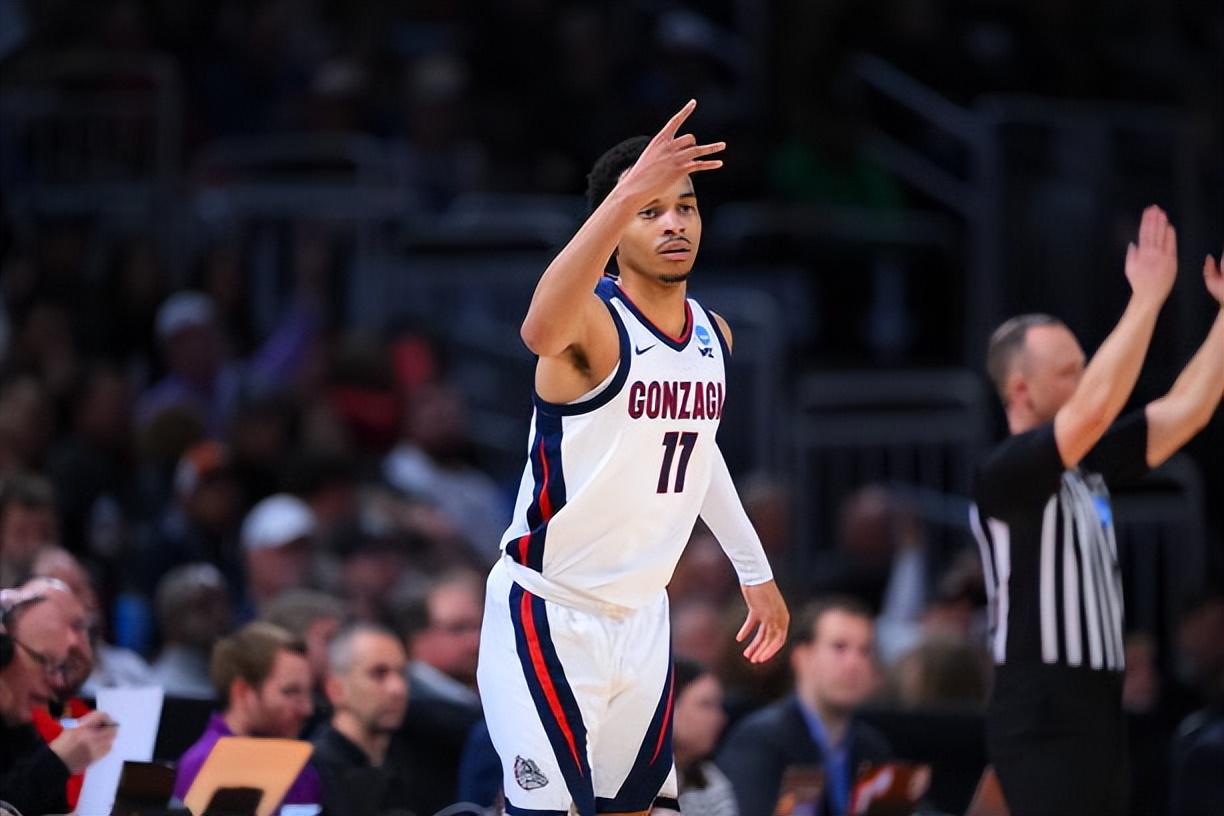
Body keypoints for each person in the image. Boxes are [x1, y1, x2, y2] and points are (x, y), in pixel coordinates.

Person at [478, 99, 788, 816]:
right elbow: (537, 329)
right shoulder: (592, 325)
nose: (674, 223)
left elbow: (698, 455)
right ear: (614, 227)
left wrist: (755, 571)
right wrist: (622, 195)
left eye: (685, 207)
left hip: (644, 615)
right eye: (651, 211)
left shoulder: (713, 335)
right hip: (550, 610)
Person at [969, 207, 1224, 816]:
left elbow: (1188, 409)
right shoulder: (1006, 472)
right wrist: (1147, 299)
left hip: (1099, 703)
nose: (1089, 380)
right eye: (1071, 372)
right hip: (1041, 706)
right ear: (1021, 391)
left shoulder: (1090, 463)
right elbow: (1093, 409)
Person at [716, 597, 891, 816]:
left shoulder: (872, 747)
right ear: (802, 657)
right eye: (839, 647)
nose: (854, 663)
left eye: (865, 651)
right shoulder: (760, 741)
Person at [173, 621, 322, 808]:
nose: (307, 709)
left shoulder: (301, 771)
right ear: (242, 691)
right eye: (290, 692)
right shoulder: (202, 766)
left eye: (309, 693)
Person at [0, 583, 116, 816]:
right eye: (43, 661)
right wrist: (58, 762)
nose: (57, 682)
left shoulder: (21, 725)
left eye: (59, 667)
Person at [311, 623, 417, 816]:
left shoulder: (416, 759)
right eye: (378, 674)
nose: (398, 688)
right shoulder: (313, 774)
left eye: (402, 673)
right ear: (336, 689)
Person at [671, 658, 737, 816]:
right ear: (668, 708)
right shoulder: (629, 779)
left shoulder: (711, 780)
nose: (719, 718)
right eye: (705, 705)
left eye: (718, 706)